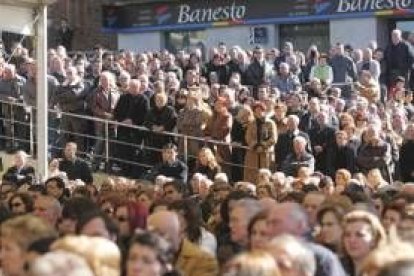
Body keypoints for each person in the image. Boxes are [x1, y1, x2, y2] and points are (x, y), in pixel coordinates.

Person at [147, 210, 219, 276]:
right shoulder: (143, 256)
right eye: (149, 235)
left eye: (160, 234)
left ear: (180, 233)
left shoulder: (204, 261)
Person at [341, 210, 387, 276]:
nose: (352, 240)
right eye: (347, 235)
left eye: (359, 235)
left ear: (374, 240)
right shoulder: (336, 267)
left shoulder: (386, 271)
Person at [244, 101, 277, 182]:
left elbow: (273, 138)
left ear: (264, 111)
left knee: (265, 174)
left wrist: (263, 145)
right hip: (253, 153)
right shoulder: (251, 123)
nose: (258, 112)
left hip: (266, 153)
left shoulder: (270, 123)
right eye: (256, 110)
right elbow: (248, 137)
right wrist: (255, 145)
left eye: (260, 110)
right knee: (251, 174)